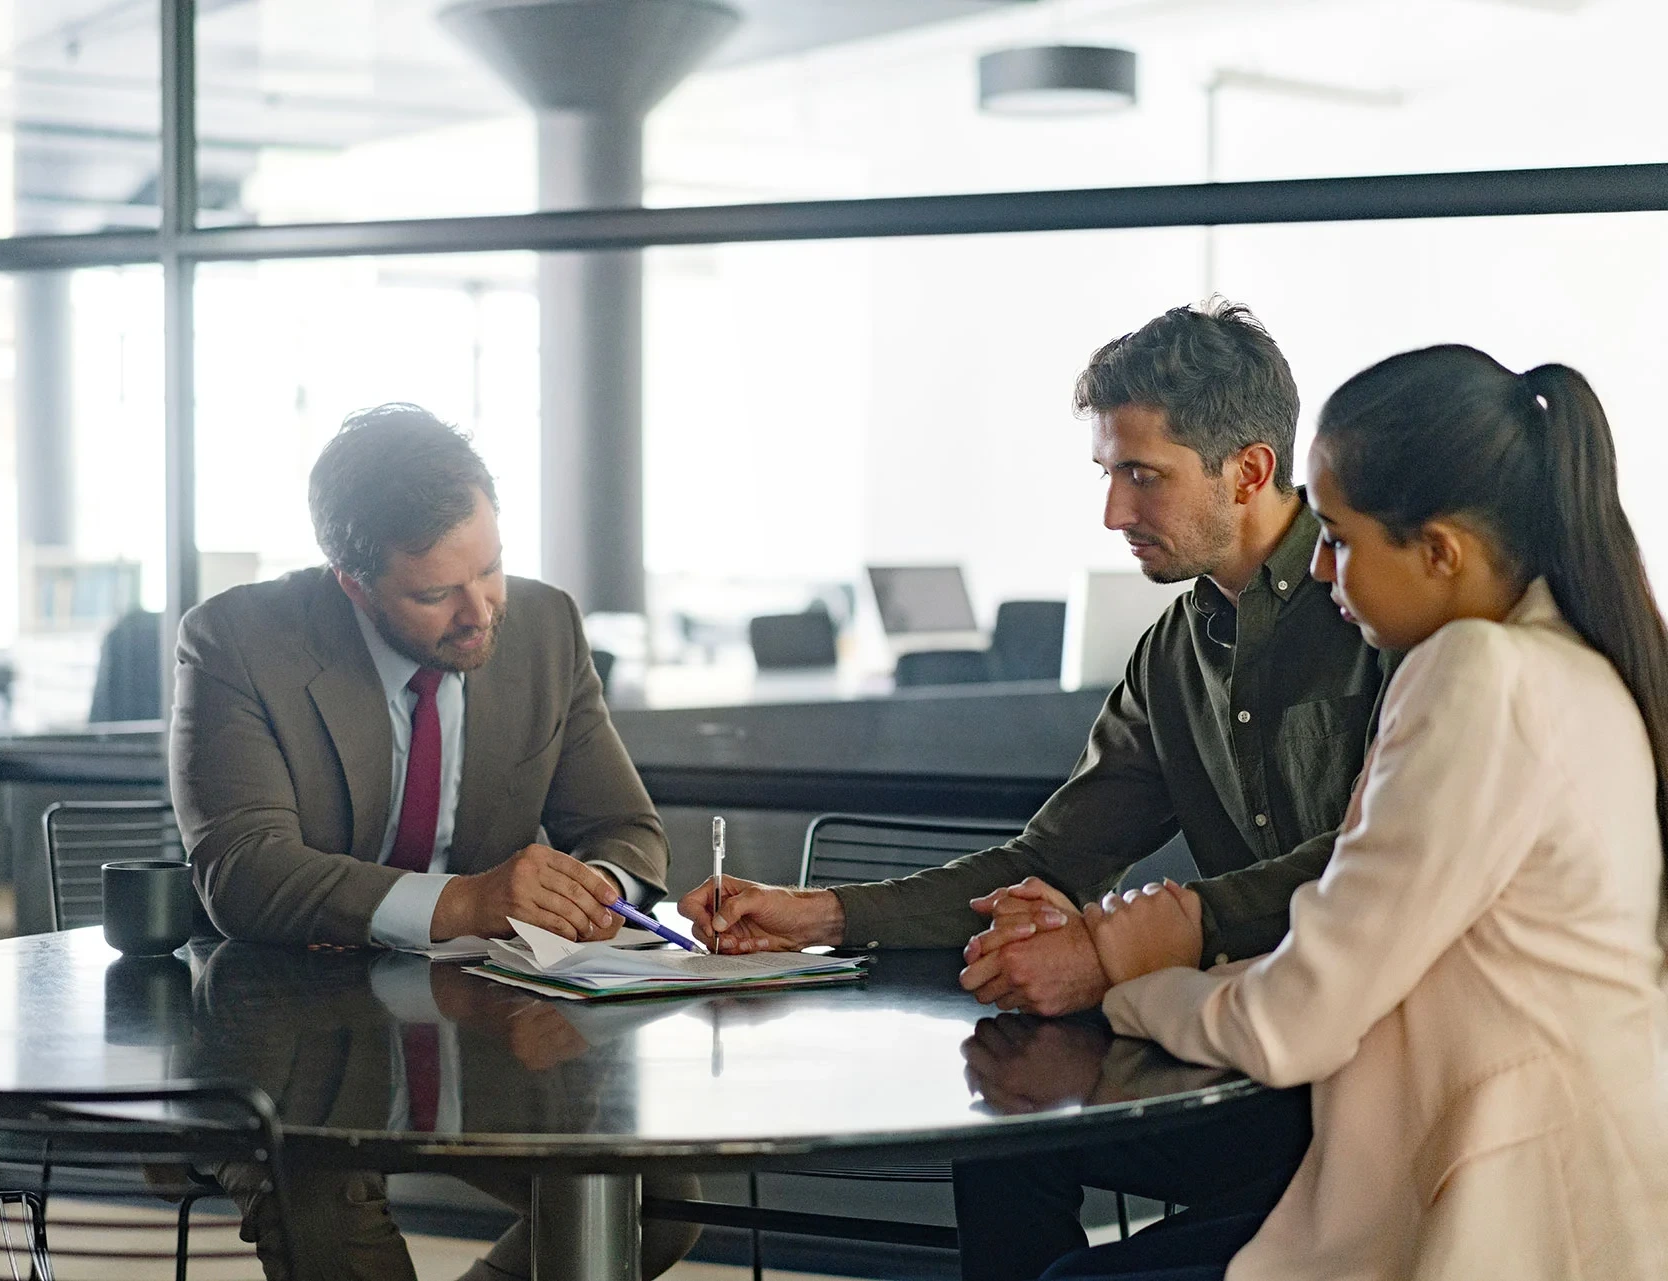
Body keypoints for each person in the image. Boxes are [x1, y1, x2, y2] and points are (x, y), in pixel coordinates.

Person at [676, 301, 1390, 1277]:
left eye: (1144, 476)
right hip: (1254, 1078)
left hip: (1379, 1093)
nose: (1114, 513)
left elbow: (1364, 867)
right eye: (1109, 475)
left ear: (1251, 472)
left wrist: (1114, 944)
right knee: (1004, 1128)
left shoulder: (1379, 616)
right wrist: (819, 914)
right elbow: (1051, 859)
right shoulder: (1172, 656)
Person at [1048, 346, 1668, 1280]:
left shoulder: (1474, 675)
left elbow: (1295, 1021)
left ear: (1440, 551)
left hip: (1513, 1220)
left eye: (1338, 538)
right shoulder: (1575, 666)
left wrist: (1136, 977)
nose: (1326, 572)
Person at [170, 403, 699, 1281]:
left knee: (658, 1197)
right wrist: (466, 901)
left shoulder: (546, 627)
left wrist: (588, 892)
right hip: (277, 1042)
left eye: (489, 568)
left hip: (474, 1029)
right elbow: (245, 870)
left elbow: (625, 829)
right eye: (433, 593)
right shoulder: (239, 641)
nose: (479, 609)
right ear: (352, 581)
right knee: (335, 1228)